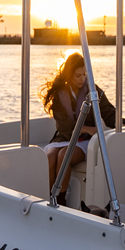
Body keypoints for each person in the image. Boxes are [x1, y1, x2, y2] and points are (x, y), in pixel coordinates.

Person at [40, 52, 117, 207]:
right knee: (49, 156)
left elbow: (109, 114)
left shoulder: (93, 90)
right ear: (69, 74)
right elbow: (63, 126)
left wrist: (123, 124)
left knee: (63, 155)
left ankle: (60, 200)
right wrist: (87, 128)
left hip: (85, 141)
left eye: (84, 74)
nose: (82, 79)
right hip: (64, 136)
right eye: (78, 75)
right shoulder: (59, 93)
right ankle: (49, 196)